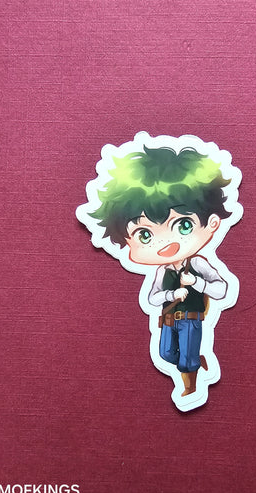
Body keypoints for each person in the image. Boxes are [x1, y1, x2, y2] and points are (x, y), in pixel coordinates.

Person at [89, 145, 232, 396]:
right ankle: (195, 360)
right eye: (144, 234)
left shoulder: (198, 264)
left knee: (185, 360)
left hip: (191, 320)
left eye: (184, 225)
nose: (165, 242)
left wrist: (197, 283)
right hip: (168, 320)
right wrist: (171, 295)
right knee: (166, 354)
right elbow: (152, 298)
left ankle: (190, 385)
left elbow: (222, 290)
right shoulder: (161, 272)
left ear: (211, 223)